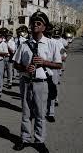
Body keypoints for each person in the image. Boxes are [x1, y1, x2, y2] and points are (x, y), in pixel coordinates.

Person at [12, 10, 62, 153]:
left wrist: (44, 62)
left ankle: (39, 140)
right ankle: (25, 138)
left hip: (42, 83)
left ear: (44, 27)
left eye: (38, 23)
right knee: (26, 113)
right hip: (26, 81)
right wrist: (25, 67)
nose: (35, 25)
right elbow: (15, 63)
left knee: (40, 113)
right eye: (33, 22)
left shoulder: (51, 44)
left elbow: (59, 65)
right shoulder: (24, 44)